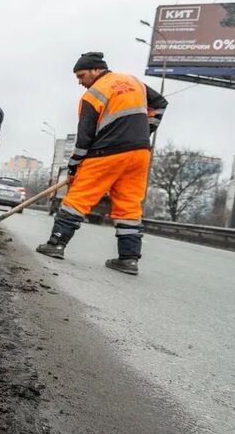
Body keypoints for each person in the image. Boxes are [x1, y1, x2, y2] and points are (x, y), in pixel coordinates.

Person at [36, 53, 168, 275]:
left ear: (96, 70)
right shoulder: (134, 81)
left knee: (78, 199)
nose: (80, 82)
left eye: (82, 75)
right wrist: (147, 130)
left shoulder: (92, 95)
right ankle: (128, 259)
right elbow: (161, 104)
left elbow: (84, 138)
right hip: (139, 153)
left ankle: (55, 244)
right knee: (129, 206)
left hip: (107, 154)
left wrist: (74, 166)